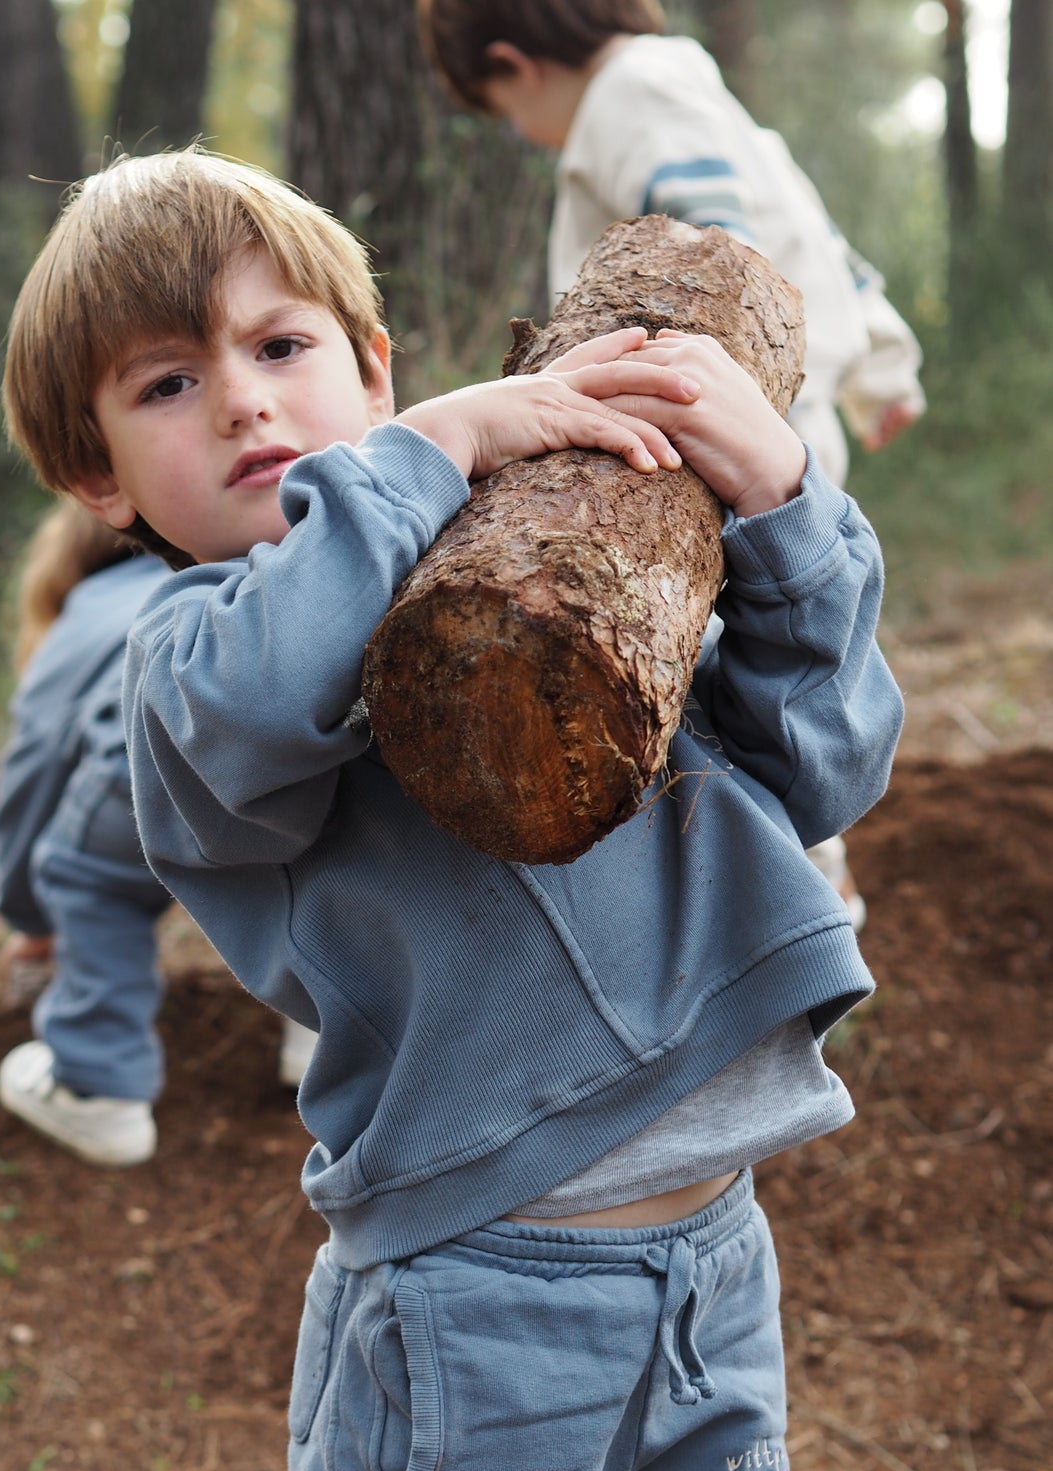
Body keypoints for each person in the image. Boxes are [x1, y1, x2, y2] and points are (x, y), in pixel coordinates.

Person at [1, 148, 901, 1471]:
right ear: (102, 479)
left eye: (282, 347)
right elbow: (268, 699)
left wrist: (783, 497)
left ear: (375, 359)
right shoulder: (185, 657)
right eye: (170, 385)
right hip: (470, 1306)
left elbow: (828, 756)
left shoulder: (572, 574)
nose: (247, 401)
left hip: (712, 1276)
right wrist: (427, 462)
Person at [417, 0, 922, 931]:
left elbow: (713, 240)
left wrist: (703, 369)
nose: (524, 135)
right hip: (772, 410)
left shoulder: (629, 93)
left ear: (512, 62)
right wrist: (887, 359)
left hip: (710, 421)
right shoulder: (690, 80)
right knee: (769, 645)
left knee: (724, 652)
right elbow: (809, 221)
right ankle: (814, 875)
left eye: (502, 109)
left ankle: (800, 882)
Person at [0, 500, 316, 1166]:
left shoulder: (86, 611)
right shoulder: (243, 570)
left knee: (91, 879)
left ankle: (98, 1089)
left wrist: (28, 915)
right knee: (305, 859)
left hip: (140, 760)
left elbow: (37, 764)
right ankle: (320, 1041)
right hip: (277, 749)